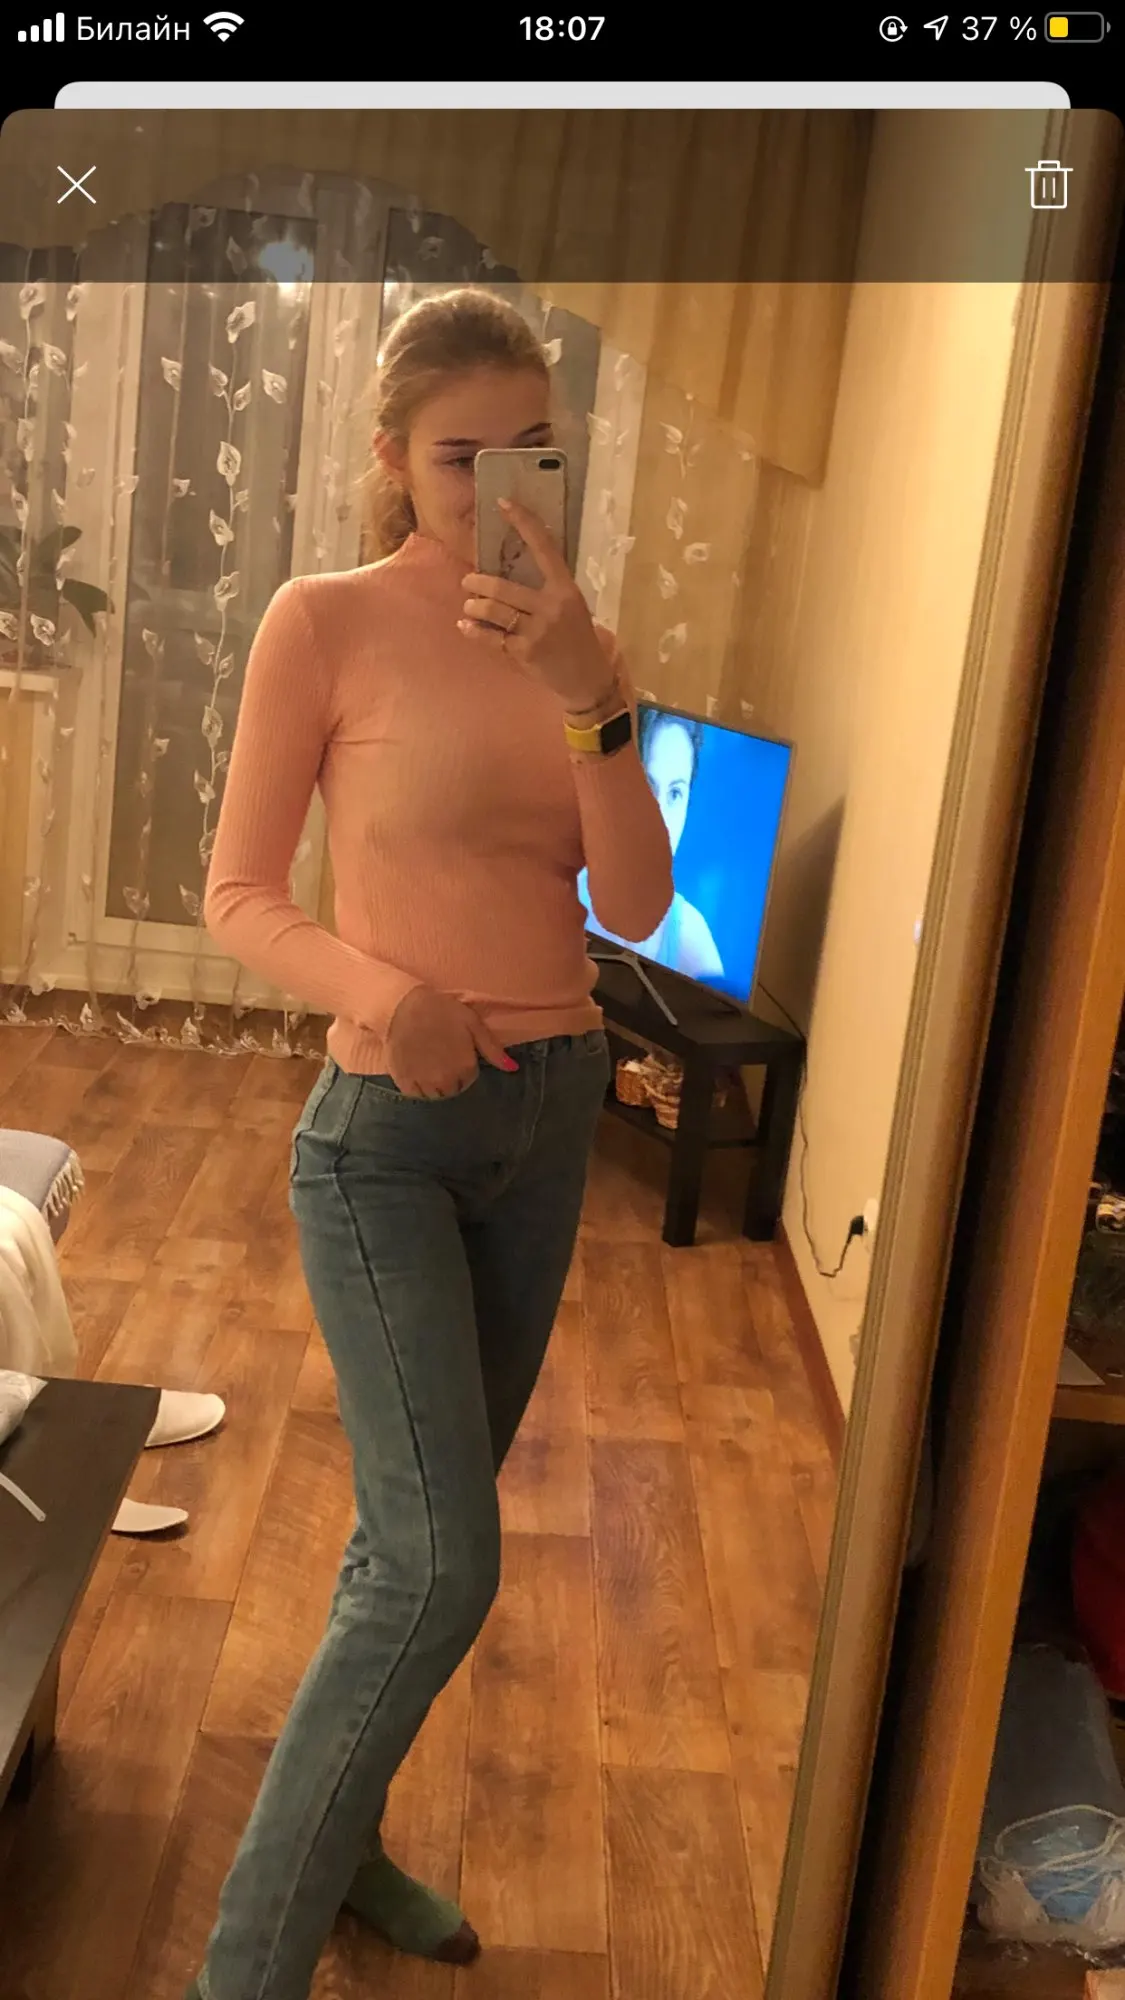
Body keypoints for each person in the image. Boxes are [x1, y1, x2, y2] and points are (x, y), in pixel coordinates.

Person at [189, 288, 673, 2000]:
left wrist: (587, 690)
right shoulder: (323, 623)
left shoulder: (579, 649)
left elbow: (636, 901)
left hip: (550, 1121)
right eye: (460, 455)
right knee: (443, 1559)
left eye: (530, 451)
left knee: (403, 1538)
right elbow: (236, 892)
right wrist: (383, 994)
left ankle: (350, 1846)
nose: (494, 489)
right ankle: (242, 1969)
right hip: (386, 1136)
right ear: (395, 458)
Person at [582, 706, 724, 979]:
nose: (659, 819)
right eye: (647, 786)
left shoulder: (692, 942)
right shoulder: (564, 895)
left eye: (675, 794)